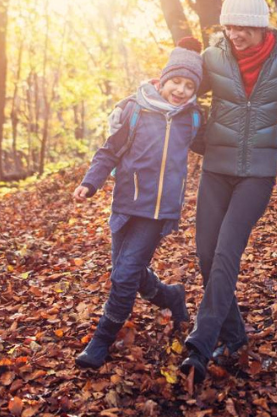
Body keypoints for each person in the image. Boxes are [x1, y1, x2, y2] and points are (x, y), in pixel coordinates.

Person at [178, 0, 277, 382]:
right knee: (205, 254)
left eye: (244, 28)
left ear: (261, 26)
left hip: (257, 174)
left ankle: (201, 343)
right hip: (215, 169)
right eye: (230, 26)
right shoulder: (212, 59)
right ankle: (234, 335)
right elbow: (177, 84)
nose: (235, 34)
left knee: (226, 254)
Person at [72, 38, 205, 370]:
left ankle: (102, 338)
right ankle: (171, 295)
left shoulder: (193, 119)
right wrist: (90, 182)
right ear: (163, 79)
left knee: (125, 275)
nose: (180, 89)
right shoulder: (135, 109)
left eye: (189, 85)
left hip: (157, 212)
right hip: (125, 205)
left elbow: (214, 147)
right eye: (176, 81)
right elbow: (108, 151)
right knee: (126, 271)